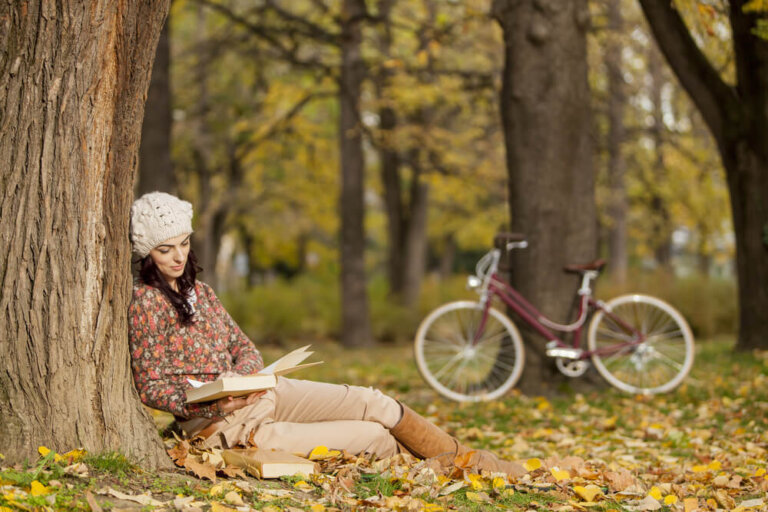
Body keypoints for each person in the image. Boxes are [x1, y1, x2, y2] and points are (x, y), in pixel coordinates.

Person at [128, 191, 522, 476]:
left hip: (262, 394)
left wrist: (245, 375)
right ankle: (464, 470)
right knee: (373, 438)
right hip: (224, 426)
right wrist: (214, 403)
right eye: (165, 250)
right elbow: (150, 387)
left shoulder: (203, 293)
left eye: (183, 244)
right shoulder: (145, 302)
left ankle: (472, 460)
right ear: (148, 253)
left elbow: (241, 344)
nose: (179, 257)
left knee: (377, 403)